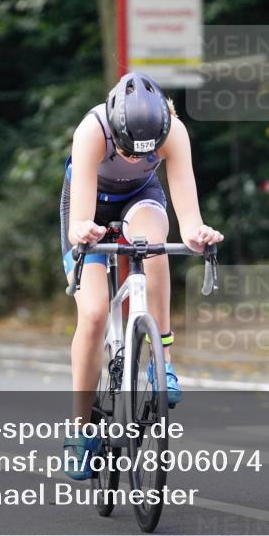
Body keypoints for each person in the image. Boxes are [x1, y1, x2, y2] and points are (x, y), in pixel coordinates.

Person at [60, 71, 224, 479]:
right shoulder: (91, 131)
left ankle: (162, 360)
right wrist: (83, 231)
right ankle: (80, 431)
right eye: (126, 151)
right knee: (94, 314)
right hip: (90, 207)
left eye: (143, 154)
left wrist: (198, 234)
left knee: (154, 245)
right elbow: (78, 220)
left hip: (141, 197)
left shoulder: (174, 132)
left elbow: (188, 216)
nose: (134, 160)